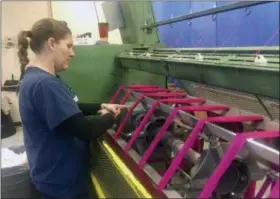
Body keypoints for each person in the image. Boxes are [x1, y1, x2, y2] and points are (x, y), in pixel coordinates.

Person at [17, 18, 127, 199]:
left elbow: (70, 108)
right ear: (51, 43)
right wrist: (111, 117)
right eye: (68, 46)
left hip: (55, 177)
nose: (72, 53)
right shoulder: (44, 84)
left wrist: (101, 106)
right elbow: (83, 129)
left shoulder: (40, 77)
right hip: (61, 184)